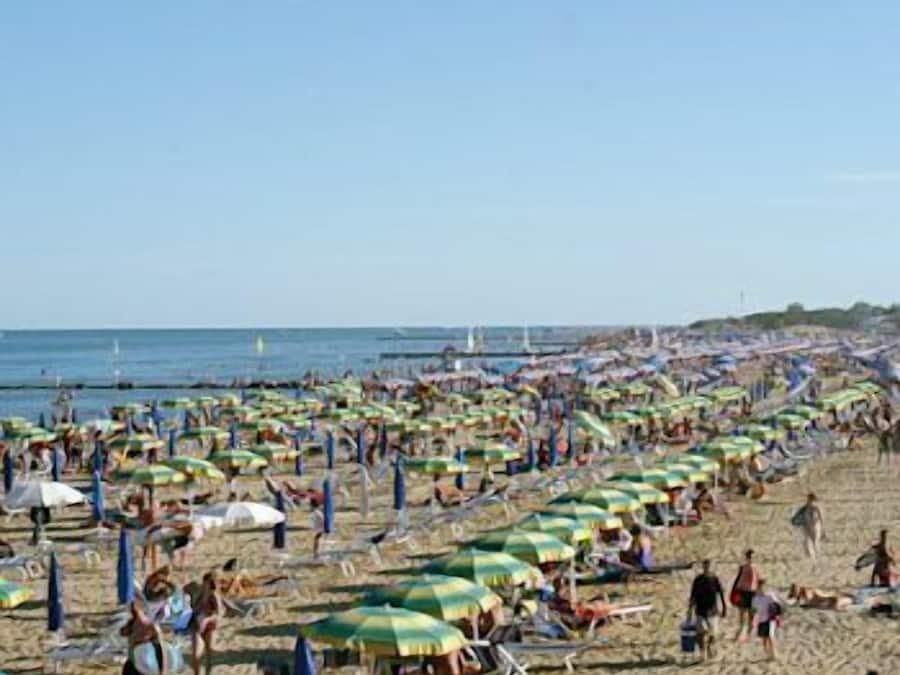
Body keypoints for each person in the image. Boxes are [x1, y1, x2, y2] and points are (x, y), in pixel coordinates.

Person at [687, 559, 726, 661]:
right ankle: (702, 653)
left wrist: (724, 607)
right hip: (700, 610)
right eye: (705, 566)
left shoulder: (714, 579)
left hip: (713, 611)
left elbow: (721, 593)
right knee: (701, 633)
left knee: (713, 634)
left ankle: (709, 648)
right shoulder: (698, 580)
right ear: (703, 567)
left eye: (708, 566)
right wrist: (690, 610)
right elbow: (693, 596)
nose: (707, 568)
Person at [120, 599, 167, 674]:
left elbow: (161, 649)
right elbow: (122, 633)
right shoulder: (132, 624)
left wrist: (163, 670)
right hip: (133, 662)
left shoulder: (151, 626)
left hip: (146, 663)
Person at [190, 571, 222, 675]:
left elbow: (219, 614)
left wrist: (207, 619)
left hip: (209, 626)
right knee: (196, 655)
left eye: (207, 582)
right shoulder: (199, 593)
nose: (204, 584)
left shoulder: (214, 595)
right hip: (197, 625)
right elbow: (193, 608)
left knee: (209, 654)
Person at [731, 549, 759, 641]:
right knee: (742, 616)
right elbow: (738, 581)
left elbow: (757, 581)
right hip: (743, 592)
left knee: (752, 616)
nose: (751, 559)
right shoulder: (743, 567)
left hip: (753, 593)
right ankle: (739, 635)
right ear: (747, 558)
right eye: (750, 557)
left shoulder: (755, 568)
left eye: (753, 557)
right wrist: (735, 592)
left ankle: (748, 635)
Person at [751, 579, 781, 661]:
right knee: (764, 638)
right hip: (761, 620)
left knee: (770, 636)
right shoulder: (755, 598)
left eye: (763, 586)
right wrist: (753, 620)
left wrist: (778, 617)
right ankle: (768, 654)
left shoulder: (770, 596)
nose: (762, 588)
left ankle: (774, 654)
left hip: (770, 619)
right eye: (760, 586)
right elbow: (754, 610)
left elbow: (778, 607)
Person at [786, 584, 852, 611]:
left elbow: (825, 595)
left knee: (837, 605)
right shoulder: (806, 593)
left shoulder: (809, 591)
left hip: (829, 601)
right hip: (825, 602)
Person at [801, 493, 825, 564]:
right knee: (807, 541)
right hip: (808, 526)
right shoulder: (806, 507)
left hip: (815, 526)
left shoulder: (816, 507)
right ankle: (812, 556)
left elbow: (821, 517)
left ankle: (817, 556)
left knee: (815, 542)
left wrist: (822, 528)